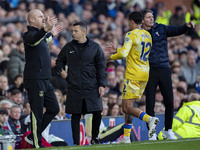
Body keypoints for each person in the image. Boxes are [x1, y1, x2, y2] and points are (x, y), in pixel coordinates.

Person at [105, 11, 159, 143]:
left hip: (133, 74)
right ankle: (127, 137)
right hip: (145, 73)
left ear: (132, 21)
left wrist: (110, 57)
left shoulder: (130, 34)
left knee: (126, 107)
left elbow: (124, 54)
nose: (127, 24)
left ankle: (149, 119)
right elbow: (133, 52)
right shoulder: (147, 35)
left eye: (128, 21)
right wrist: (117, 50)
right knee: (130, 105)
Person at [142, 9, 195, 140]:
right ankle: (152, 133)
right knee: (150, 103)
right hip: (149, 70)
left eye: (152, 16)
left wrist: (186, 26)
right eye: (148, 17)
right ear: (142, 20)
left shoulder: (161, 28)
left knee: (169, 101)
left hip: (165, 68)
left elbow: (176, 30)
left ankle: (168, 130)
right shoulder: (139, 34)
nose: (151, 19)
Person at [56, 21, 107, 145]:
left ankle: (95, 138)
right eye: (72, 31)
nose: (73, 33)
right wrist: (62, 72)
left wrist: (102, 84)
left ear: (84, 32)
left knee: (97, 111)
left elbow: (101, 66)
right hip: (74, 86)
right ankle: (76, 143)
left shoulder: (95, 47)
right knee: (75, 115)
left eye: (75, 31)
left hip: (92, 86)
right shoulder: (68, 47)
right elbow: (59, 62)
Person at [23, 9, 62, 148]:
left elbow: (44, 38)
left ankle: (32, 136)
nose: (44, 18)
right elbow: (34, 40)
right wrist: (46, 29)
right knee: (37, 112)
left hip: (45, 79)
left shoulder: (41, 36)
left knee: (54, 108)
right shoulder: (28, 35)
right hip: (34, 79)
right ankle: (36, 143)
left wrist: (51, 33)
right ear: (32, 20)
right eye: (40, 16)